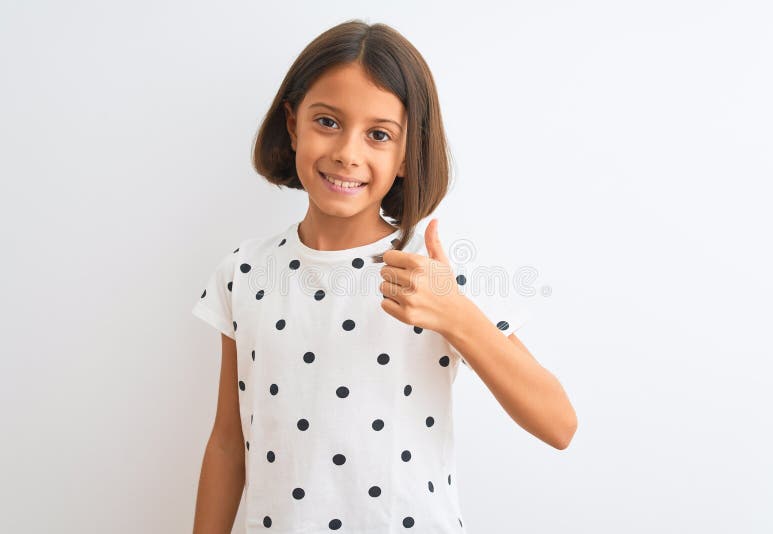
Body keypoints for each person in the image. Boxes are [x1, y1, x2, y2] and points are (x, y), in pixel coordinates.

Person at [191, 19, 577, 534]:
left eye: (378, 135)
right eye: (327, 122)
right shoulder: (243, 272)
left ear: (404, 155)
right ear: (293, 123)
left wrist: (458, 316)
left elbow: (559, 425)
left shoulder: (434, 269)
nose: (348, 152)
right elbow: (227, 442)